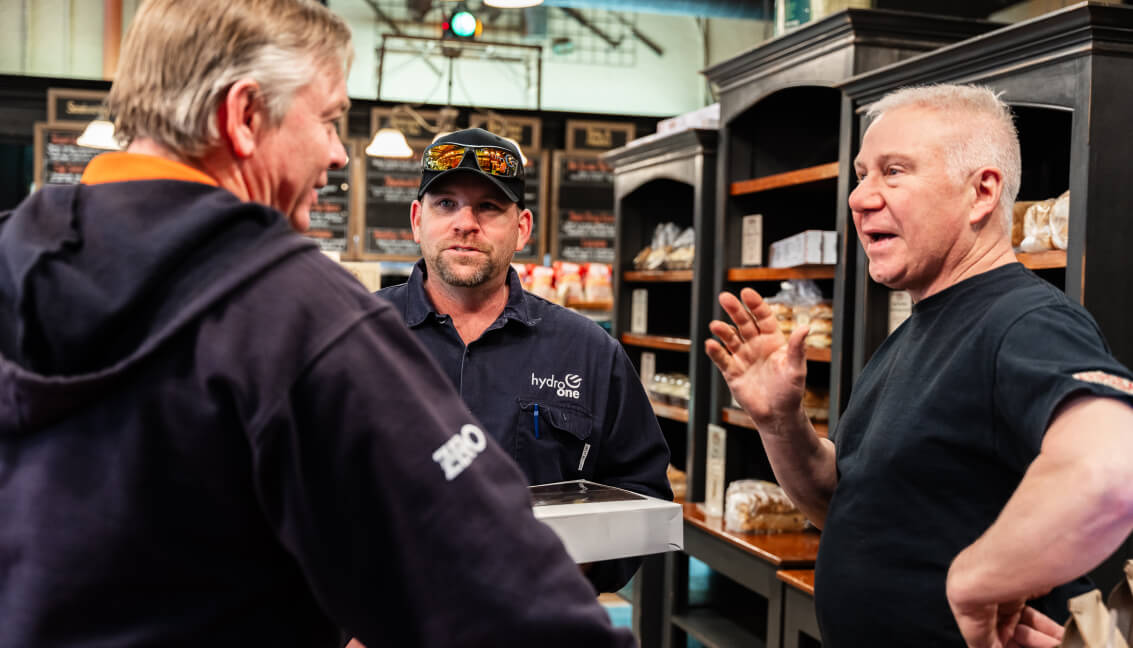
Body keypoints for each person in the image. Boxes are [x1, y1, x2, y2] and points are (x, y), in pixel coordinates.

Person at [0, 2, 637, 646]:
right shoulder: (303, 316)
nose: (337, 154)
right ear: (244, 116)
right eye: (330, 119)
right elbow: (494, 570)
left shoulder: (11, 255)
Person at [705, 83, 1133, 648]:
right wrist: (780, 421)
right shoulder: (915, 331)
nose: (860, 198)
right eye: (862, 174)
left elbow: (1114, 464)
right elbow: (846, 505)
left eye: (894, 171)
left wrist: (977, 578)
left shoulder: (1023, 321)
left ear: (981, 192)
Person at [376, 127, 673, 593]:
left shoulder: (589, 351)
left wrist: (575, 572)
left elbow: (643, 488)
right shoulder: (353, 336)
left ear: (523, 227)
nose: (465, 222)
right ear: (417, 219)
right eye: (446, 203)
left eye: (489, 207)